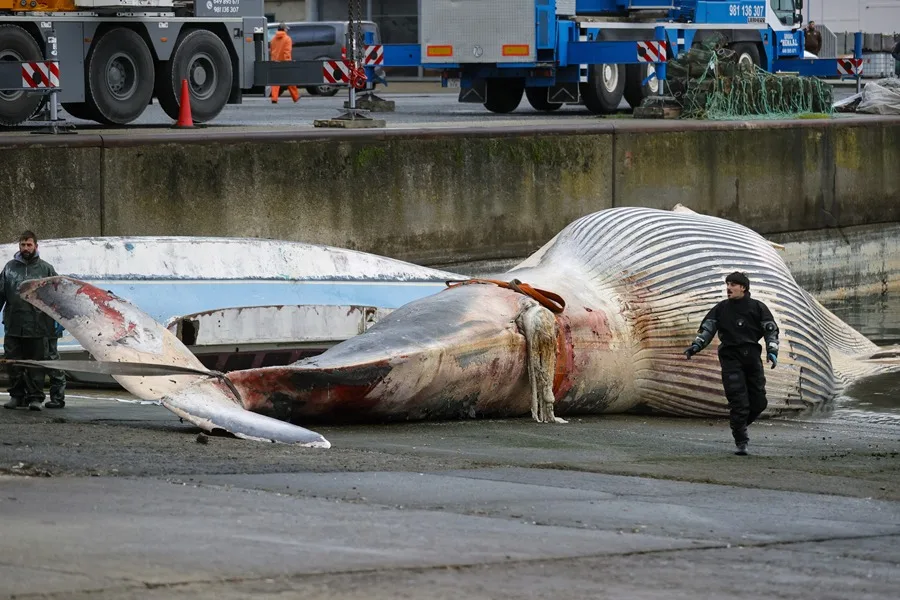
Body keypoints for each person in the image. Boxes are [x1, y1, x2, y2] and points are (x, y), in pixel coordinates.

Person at [683, 272, 779, 456]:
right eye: (727, 284)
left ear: (743, 287)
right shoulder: (720, 309)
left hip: (752, 358)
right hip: (730, 358)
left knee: (759, 402)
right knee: (738, 401)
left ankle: (738, 423)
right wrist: (695, 346)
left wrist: (772, 351)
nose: (728, 288)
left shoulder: (758, 307)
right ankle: (741, 440)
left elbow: (770, 330)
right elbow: (707, 330)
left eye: (733, 284)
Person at [1, 231, 59, 411]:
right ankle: (16, 396)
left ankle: (35, 397)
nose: (25, 248)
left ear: (36, 246)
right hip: (14, 325)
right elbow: (1, 294)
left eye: (29, 245)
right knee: (13, 362)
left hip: (38, 326)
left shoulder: (46, 269)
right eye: (22, 245)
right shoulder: (9, 268)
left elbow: (56, 298)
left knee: (36, 364)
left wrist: (57, 322)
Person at [269, 22, 300, 104]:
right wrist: (288, 62)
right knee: (290, 81)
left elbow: (272, 51)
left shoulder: (273, 39)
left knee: (275, 82)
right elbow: (287, 52)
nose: (287, 30)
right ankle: (296, 97)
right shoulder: (287, 39)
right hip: (285, 63)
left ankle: (274, 98)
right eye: (286, 29)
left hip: (275, 62)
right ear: (284, 29)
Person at [45, 320, 66, 409]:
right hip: (28, 324)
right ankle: (29, 397)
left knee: (52, 359)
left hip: (48, 324)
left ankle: (57, 397)